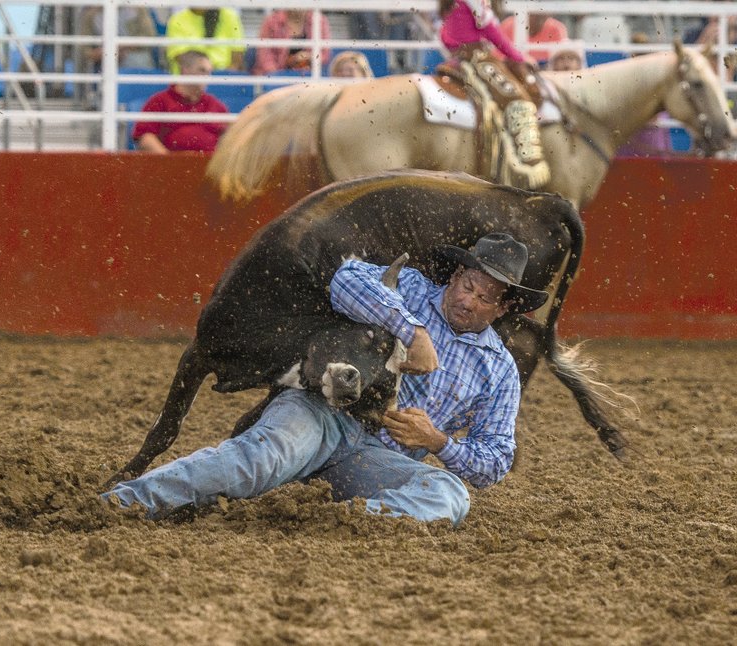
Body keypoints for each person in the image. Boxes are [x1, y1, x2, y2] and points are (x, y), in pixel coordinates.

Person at [101, 233, 548, 527]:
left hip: (370, 456)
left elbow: (495, 461)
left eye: (485, 297)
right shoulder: (409, 288)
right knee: (259, 460)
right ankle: (126, 501)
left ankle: (330, 517)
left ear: (504, 308)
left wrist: (437, 442)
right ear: (454, 276)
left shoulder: (499, 369)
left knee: (449, 495)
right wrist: (414, 331)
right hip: (324, 412)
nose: (469, 300)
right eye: (467, 285)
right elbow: (346, 279)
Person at [438, 0, 550, 187]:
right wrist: (519, 58)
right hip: (477, 58)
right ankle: (528, 166)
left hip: (458, 58)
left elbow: (445, 34)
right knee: (518, 99)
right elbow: (492, 32)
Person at [132, 50, 228, 154]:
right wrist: (170, 162)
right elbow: (145, 137)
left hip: (208, 166)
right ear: (185, 70)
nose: (207, 77)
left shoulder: (215, 104)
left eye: (209, 72)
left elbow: (227, 136)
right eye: (202, 70)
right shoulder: (159, 101)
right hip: (169, 166)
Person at [165, 7, 245, 74]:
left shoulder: (229, 17)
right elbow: (182, 59)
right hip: (189, 82)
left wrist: (223, 78)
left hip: (223, 79)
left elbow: (237, 59)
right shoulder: (177, 20)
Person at [253, 9, 332, 75]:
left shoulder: (319, 21)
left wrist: (310, 56)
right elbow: (265, 57)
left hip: (309, 76)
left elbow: (324, 54)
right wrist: (278, 76)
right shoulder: (271, 21)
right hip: (276, 77)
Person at [78, 6, 157, 71]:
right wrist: (104, 53)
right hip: (104, 62)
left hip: (135, 57)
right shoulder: (91, 15)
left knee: (138, 60)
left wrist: (122, 46)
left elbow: (150, 36)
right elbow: (84, 49)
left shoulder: (137, 10)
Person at [499, 11, 568, 67]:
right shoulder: (507, 26)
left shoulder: (556, 28)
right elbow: (498, 58)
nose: (538, 15)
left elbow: (562, 60)